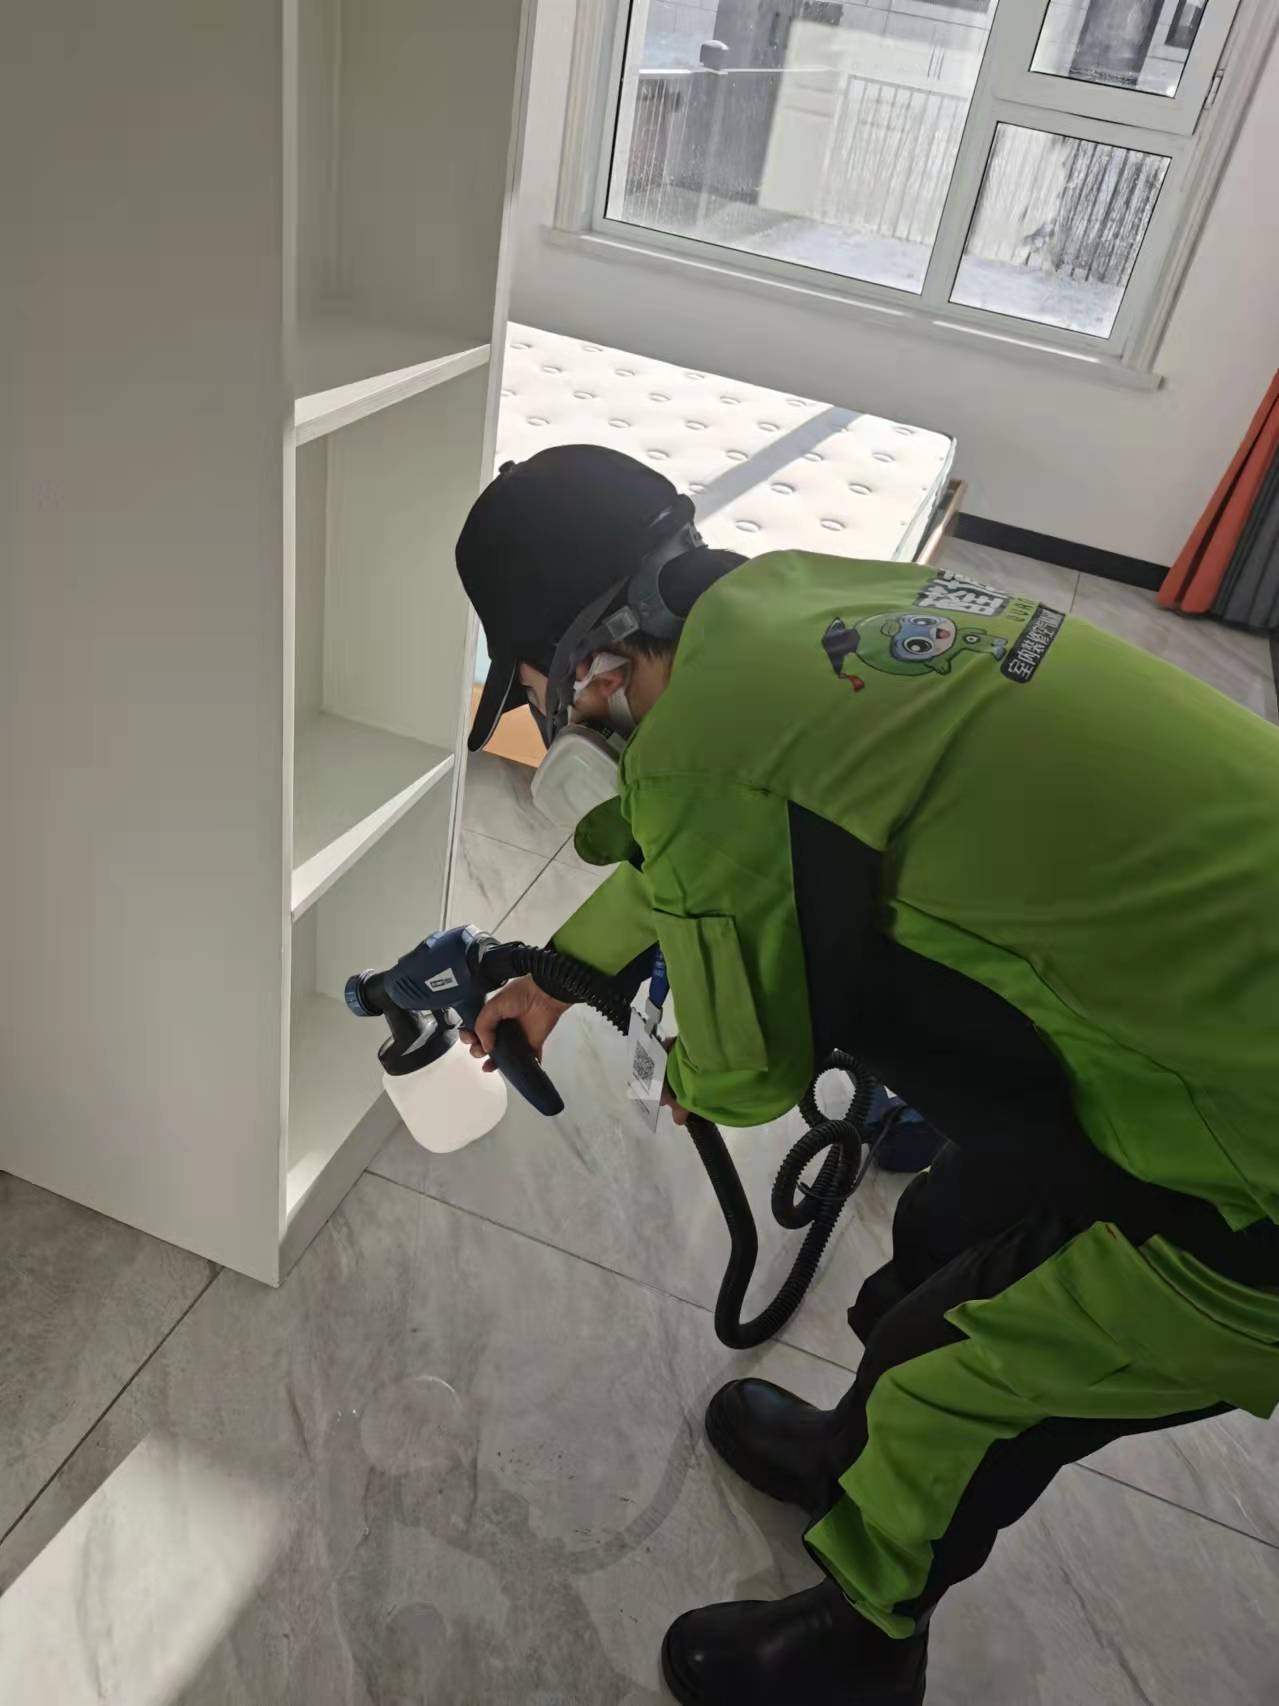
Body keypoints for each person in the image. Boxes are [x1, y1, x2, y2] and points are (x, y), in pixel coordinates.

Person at [457, 444, 1279, 1706]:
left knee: (965, 1375)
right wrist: (562, 975)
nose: (553, 719)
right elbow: (713, 839)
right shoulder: (787, 603)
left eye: (534, 691)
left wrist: (691, 1065)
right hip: (1218, 1002)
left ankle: (864, 1637)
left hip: (1246, 1174)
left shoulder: (698, 749)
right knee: (950, 1222)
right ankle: (855, 1444)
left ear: (589, 664)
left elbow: (744, 1065)